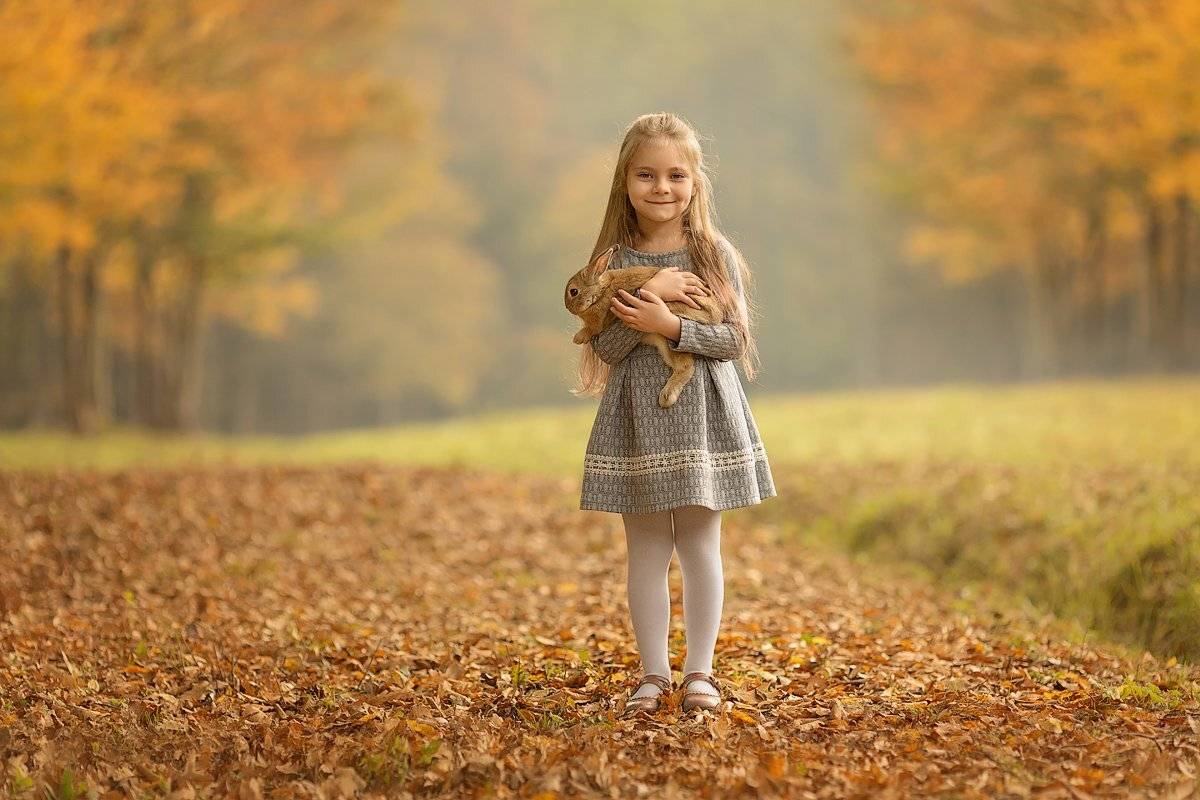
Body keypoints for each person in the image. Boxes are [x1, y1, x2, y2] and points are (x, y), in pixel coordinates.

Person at [572, 112, 777, 715]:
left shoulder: (713, 254)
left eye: (675, 175)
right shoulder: (610, 262)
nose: (661, 187)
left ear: (694, 181)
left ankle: (700, 673)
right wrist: (648, 295)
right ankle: (654, 675)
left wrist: (671, 325)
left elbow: (733, 340)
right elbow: (608, 347)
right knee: (645, 549)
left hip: (702, 415)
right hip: (636, 417)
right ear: (625, 181)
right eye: (646, 175)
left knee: (699, 544)